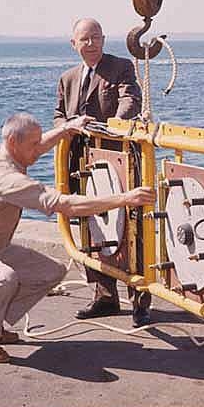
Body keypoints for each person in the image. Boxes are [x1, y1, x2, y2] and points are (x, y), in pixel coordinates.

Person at [0, 113, 156, 363]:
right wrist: (125, 199)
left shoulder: (1, 151)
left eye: (39, 141)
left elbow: (37, 149)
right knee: (2, 279)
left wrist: (66, 129)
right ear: (13, 142)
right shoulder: (5, 179)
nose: (39, 149)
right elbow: (64, 204)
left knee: (50, 271)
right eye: (33, 144)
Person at [53, 17, 153, 327]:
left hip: (119, 162)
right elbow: (59, 115)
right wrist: (68, 127)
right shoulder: (67, 79)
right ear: (74, 44)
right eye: (84, 39)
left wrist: (110, 129)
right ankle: (104, 296)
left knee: (131, 231)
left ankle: (139, 301)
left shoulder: (120, 66)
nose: (91, 43)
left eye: (95, 37)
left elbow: (130, 99)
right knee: (91, 231)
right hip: (80, 165)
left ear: (103, 39)